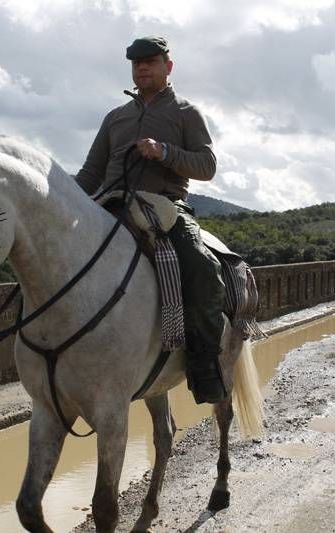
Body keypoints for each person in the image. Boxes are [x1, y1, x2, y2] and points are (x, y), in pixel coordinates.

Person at [76, 36, 227, 404]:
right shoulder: (115, 117)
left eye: (150, 61)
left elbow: (207, 166)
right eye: (136, 62)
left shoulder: (185, 112)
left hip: (164, 207)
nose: (142, 67)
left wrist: (165, 152)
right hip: (108, 205)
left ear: (167, 67)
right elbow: (90, 174)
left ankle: (204, 364)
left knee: (203, 269)